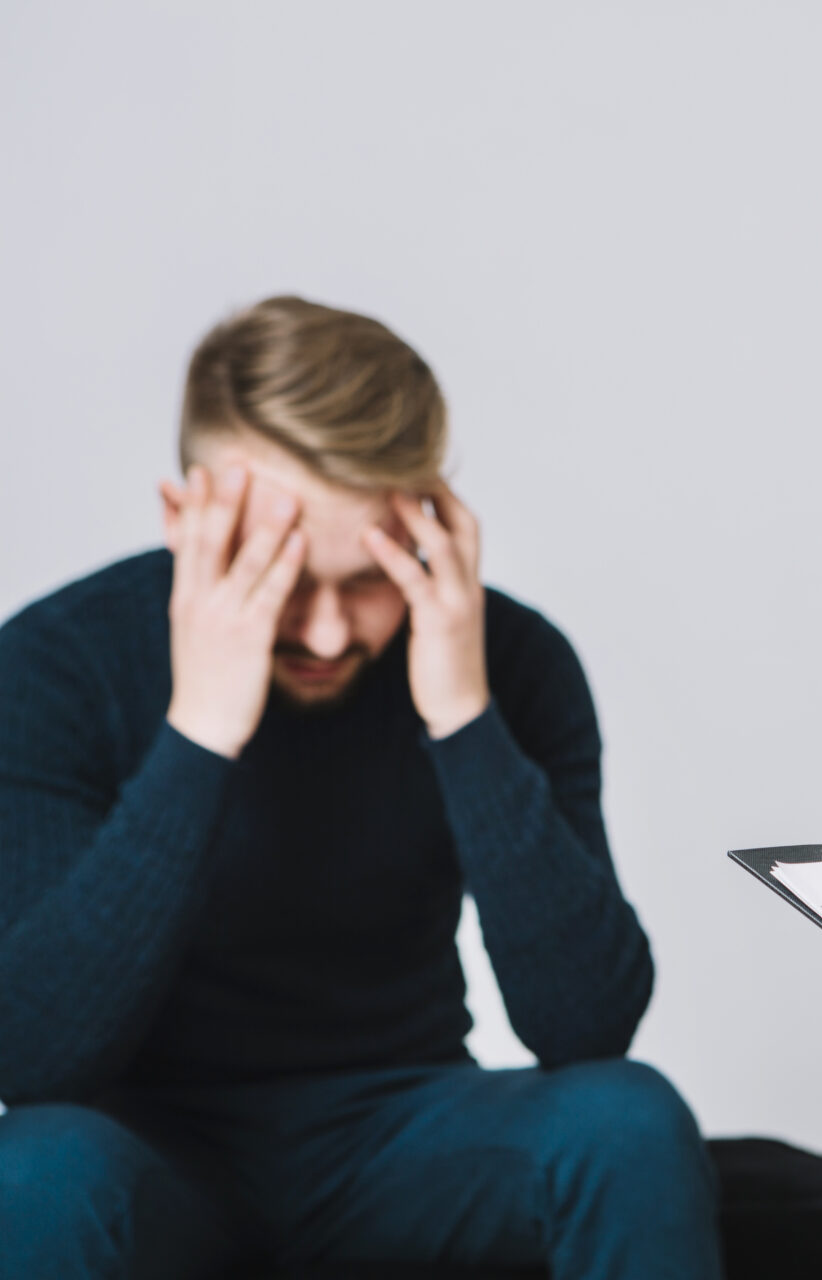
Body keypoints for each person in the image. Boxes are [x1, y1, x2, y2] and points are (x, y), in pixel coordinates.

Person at [0, 296, 722, 1280]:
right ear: (188, 515)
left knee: (629, 1118)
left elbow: (586, 1025)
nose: (330, 633)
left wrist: (462, 713)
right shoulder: (56, 665)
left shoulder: (511, 660)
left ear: (428, 522)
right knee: (36, 1168)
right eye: (286, 576)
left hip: (407, 1136)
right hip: (154, 1154)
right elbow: (33, 1059)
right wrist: (201, 727)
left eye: (368, 578)